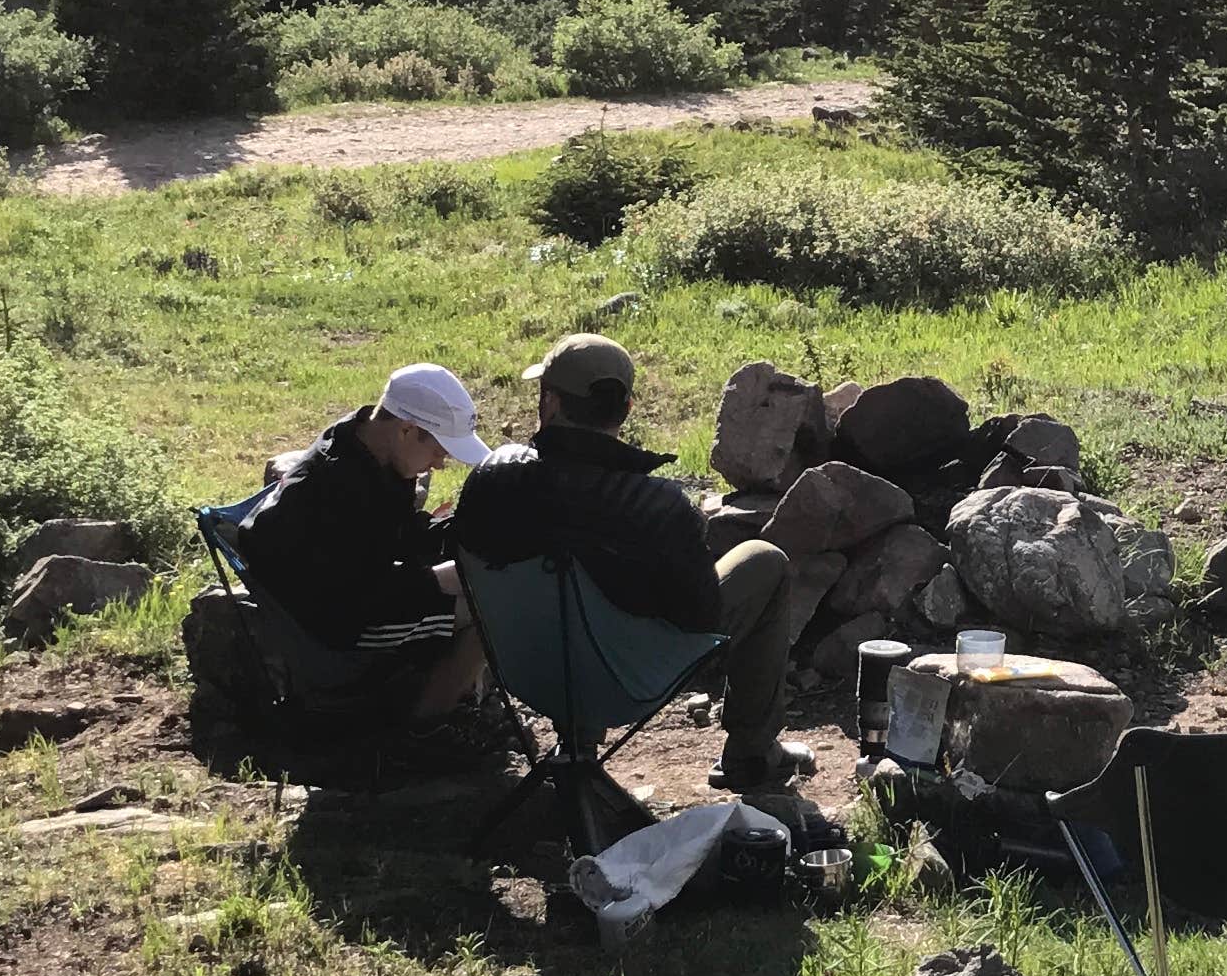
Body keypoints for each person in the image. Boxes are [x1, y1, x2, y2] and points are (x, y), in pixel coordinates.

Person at [452, 333, 822, 795]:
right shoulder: (658, 506)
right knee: (764, 560)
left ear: (549, 403)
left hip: (528, 673)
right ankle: (752, 753)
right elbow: (700, 617)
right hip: (625, 685)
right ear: (626, 410)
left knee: (574, 600)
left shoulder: (492, 482)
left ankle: (576, 745)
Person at [235, 362, 495, 724]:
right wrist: (439, 581)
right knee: (489, 612)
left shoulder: (364, 441)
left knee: (475, 582)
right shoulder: (337, 491)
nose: (440, 463)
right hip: (331, 634)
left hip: (350, 598)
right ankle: (424, 729)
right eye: (440, 450)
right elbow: (357, 599)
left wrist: (463, 532)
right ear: (407, 429)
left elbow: (394, 537)